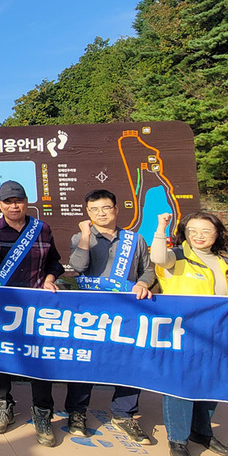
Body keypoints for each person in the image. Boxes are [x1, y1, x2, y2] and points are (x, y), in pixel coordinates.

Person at [151, 211, 228, 456]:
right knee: (180, 386)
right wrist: (160, 227)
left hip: (218, 336)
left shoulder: (225, 264)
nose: (199, 236)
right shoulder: (176, 257)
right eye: (193, 231)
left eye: (206, 231)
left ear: (217, 234)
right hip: (184, 333)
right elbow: (157, 256)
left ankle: (202, 432)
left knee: (212, 384)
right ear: (185, 234)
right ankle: (178, 438)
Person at [0, 180, 63, 446]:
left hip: (36, 306)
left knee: (39, 361)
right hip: (3, 304)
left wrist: (50, 278)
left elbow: (55, 263)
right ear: (0, 205)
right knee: (0, 357)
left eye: (18, 200)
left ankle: (42, 414)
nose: (13, 206)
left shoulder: (41, 229)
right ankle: (3, 406)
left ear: (26, 202)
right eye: (8, 201)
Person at [67, 189, 155, 443]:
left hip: (127, 312)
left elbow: (147, 270)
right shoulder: (80, 237)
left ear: (116, 210)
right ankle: (77, 411)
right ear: (87, 213)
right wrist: (85, 236)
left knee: (129, 361)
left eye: (105, 208)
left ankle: (123, 413)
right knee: (85, 361)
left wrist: (143, 284)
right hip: (91, 312)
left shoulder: (134, 240)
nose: (100, 214)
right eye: (93, 210)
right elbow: (78, 266)